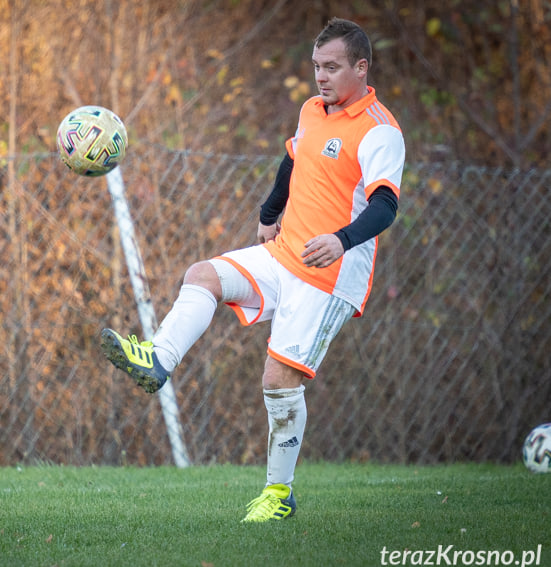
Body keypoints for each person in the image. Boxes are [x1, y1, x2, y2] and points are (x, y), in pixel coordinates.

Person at [101, 18, 405, 522]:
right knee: (203, 275)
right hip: (283, 253)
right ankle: (158, 359)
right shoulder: (312, 109)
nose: (321, 77)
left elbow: (386, 206)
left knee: (278, 379)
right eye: (315, 67)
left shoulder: (380, 131)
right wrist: (269, 215)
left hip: (329, 276)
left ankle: (278, 496)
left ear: (361, 67)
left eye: (331, 67)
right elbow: (294, 160)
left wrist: (341, 239)